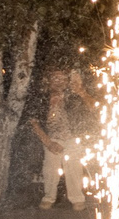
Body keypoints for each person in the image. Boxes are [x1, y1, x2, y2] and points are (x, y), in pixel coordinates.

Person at [30, 68, 84, 210]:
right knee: (50, 167)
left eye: (63, 79)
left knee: (74, 166)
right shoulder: (41, 98)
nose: (59, 82)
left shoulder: (72, 98)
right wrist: (49, 143)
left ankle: (77, 199)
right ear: (48, 81)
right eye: (55, 78)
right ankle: (49, 197)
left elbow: (84, 118)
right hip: (51, 137)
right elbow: (34, 122)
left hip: (72, 137)